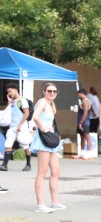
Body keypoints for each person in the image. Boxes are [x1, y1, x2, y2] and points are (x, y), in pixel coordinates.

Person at [30, 84, 64, 213]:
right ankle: (40, 205)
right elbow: (35, 116)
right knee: (42, 173)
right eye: (49, 91)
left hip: (50, 141)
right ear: (44, 91)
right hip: (43, 140)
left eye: (54, 91)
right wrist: (43, 128)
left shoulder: (50, 104)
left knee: (55, 171)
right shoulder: (43, 102)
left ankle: (55, 202)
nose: (52, 93)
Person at [2, 84, 33, 172]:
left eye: (10, 91)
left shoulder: (22, 100)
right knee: (8, 144)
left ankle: (28, 164)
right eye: (8, 92)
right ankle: (4, 165)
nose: (9, 93)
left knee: (25, 145)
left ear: (16, 90)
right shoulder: (12, 101)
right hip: (12, 127)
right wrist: (9, 102)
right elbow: (8, 111)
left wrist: (20, 125)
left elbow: (26, 113)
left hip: (22, 127)